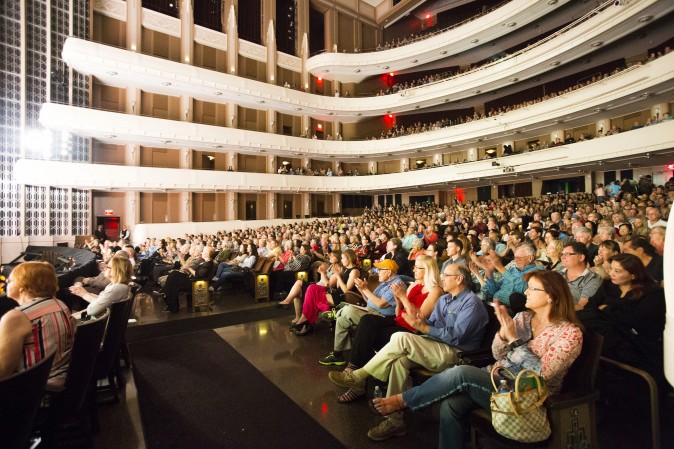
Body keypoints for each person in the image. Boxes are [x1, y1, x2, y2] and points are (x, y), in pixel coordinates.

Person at [372, 270, 583, 447]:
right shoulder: (523, 317)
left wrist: (514, 340)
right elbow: (497, 354)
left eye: (532, 288)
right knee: (452, 404)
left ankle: (402, 401)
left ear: (551, 297)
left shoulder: (569, 333)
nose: (525, 291)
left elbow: (541, 375)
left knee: (462, 373)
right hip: (498, 378)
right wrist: (502, 335)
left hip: (528, 393)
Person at [329, 263, 488, 441]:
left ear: (459, 279)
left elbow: (456, 337)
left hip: (457, 353)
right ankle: (395, 421)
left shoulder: (472, 303)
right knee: (399, 361)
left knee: (401, 338)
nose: (442, 277)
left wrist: (424, 328)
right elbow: (431, 323)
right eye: (442, 274)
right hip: (434, 345)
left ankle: (359, 376)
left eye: (446, 275)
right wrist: (418, 322)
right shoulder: (444, 299)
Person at [327, 255, 443, 401]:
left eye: (417, 267)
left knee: (369, 336)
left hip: (413, 330)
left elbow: (419, 318)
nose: (413, 269)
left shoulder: (435, 291)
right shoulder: (414, 286)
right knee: (367, 321)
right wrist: (398, 302)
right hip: (397, 321)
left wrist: (403, 298)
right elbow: (398, 313)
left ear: (427, 270)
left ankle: (357, 383)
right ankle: (353, 369)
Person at [578, 253, 665, 382]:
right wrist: (615, 313)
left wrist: (607, 308)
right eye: (611, 269)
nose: (611, 273)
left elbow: (639, 322)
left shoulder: (652, 293)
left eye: (617, 271)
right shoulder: (608, 286)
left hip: (637, 342)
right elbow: (590, 308)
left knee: (598, 324)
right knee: (582, 317)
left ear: (633, 275)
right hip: (611, 339)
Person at [318, 259, 405, 369]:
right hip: (369, 310)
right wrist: (362, 290)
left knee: (348, 309)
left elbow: (380, 304)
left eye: (380, 269)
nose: (377, 271)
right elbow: (369, 300)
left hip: (380, 317)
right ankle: (337, 355)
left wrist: (365, 289)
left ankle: (336, 313)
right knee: (341, 320)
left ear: (388, 272)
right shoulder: (384, 283)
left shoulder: (397, 285)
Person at [0, 262, 76, 382]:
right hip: (61, 381)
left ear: (22, 284)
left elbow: (3, 372)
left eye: (9, 281)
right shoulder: (60, 304)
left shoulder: (17, 318)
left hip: (34, 391)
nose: (6, 283)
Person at [290, 249, 360, 336]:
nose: (341, 260)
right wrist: (338, 276)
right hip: (336, 293)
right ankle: (306, 321)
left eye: (343, 258)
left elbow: (346, 290)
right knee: (312, 288)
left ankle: (305, 321)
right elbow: (339, 287)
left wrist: (338, 276)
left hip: (342, 297)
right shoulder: (346, 270)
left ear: (349, 258)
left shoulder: (354, 271)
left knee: (312, 295)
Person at [69, 255, 133, 317]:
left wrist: (83, 294)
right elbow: (102, 300)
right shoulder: (117, 286)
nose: (105, 268)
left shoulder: (115, 288)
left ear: (115, 271)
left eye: (108, 267)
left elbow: (91, 311)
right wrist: (85, 293)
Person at [161, 246, 215, 313]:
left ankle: (169, 300)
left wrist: (189, 268)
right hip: (193, 280)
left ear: (207, 254)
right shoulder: (206, 262)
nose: (202, 252)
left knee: (174, 276)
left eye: (203, 251)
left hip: (197, 284)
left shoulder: (208, 263)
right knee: (174, 275)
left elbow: (198, 275)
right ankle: (169, 300)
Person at [554, 242, 602, 310]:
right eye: (562, 254)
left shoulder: (592, 279)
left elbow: (581, 306)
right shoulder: (556, 273)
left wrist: (553, 308)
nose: (562, 257)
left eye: (567, 254)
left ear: (581, 257)